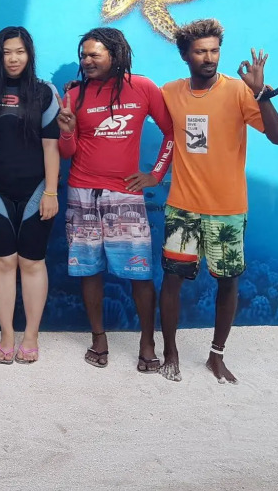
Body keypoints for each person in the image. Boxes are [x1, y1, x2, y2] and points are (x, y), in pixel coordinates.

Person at [159, 19, 278, 383]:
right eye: (201, 51)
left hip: (227, 209)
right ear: (185, 55)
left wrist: (261, 94)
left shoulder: (239, 91)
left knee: (228, 282)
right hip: (182, 207)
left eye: (215, 50)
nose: (210, 58)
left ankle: (216, 356)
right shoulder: (170, 92)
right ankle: (170, 352)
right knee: (172, 279)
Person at [57, 27, 174, 373]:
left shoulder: (144, 87)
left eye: (94, 55)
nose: (87, 61)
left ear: (115, 54)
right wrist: (67, 130)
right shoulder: (74, 95)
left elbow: (171, 131)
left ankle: (147, 342)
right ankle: (99, 338)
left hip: (126, 196)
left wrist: (156, 174)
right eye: (83, 55)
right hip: (82, 193)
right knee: (89, 271)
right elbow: (67, 152)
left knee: (140, 274)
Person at [0, 27, 61, 364]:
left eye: (19, 51)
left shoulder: (44, 92)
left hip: (37, 190)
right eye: (7, 52)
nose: (13, 58)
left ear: (29, 54)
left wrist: (50, 192)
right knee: (4, 261)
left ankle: (31, 335)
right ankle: (7, 334)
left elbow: (51, 147)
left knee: (32, 262)